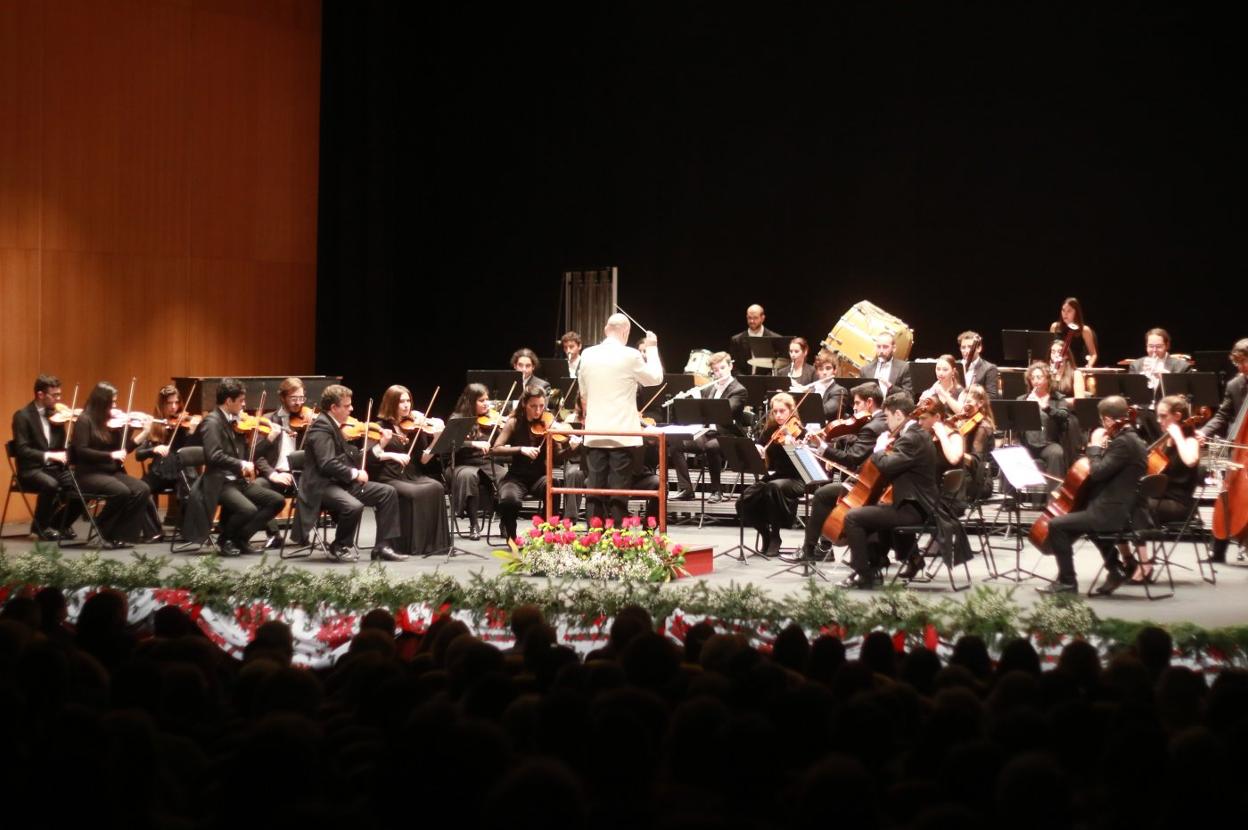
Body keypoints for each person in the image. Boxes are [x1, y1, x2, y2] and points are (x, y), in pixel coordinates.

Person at [1037, 395, 1147, 595]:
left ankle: (1067, 582)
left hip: (1111, 512)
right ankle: (1115, 569)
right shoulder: (1134, 440)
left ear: (1108, 420)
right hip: (1123, 509)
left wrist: (1094, 446)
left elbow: (1097, 472)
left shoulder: (1123, 443)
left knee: (1057, 526)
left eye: (1102, 420)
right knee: (1086, 525)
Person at [291, 384, 402, 562]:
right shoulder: (321, 428)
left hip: (339, 482)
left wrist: (379, 446)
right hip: (321, 485)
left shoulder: (335, 425)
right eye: (347, 405)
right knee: (353, 506)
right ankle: (339, 545)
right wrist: (354, 474)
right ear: (334, 408)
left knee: (387, 492)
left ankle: (383, 546)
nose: (351, 409)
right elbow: (327, 463)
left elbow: (352, 457)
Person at [839, 393, 940, 588]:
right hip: (917, 505)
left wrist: (878, 449)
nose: (886, 423)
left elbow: (887, 466)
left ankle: (863, 573)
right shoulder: (917, 434)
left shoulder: (911, 439)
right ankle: (875, 565)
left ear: (899, 415)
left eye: (887, 417)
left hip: (913, 509)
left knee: (853, 517)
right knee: (873, 510)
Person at [781, 382, 887, 562]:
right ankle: (824, 547)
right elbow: (858, 446)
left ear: (869, 403)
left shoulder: (872, 426)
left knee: (823, 495)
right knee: (830, 493)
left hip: (869, 487)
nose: (853, 408)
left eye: (857, 403)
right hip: (875, 482)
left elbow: (853, 459)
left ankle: (810, 550)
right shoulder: (880, 421)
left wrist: (823, 448)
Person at [180, 378, 286, 556]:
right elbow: (214, 455)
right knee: (248, 509)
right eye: (241, 401)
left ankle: (240, 539)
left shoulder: (235, 422)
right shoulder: (212, 422)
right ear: (228, 401)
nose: (244, 405)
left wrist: (269, 440)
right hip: (218, 482)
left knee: (276, 501)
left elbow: (248, 456)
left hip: (236, 480)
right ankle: (225, 539)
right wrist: (239, 463)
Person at [577, 312, 663, 525]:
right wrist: (651, 347)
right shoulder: (631, 355)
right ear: (625, 332)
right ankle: (617, 540)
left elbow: (584, 394)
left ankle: (593, 539)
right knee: (618, 493)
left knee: (594, 491)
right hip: (622, 435)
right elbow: (655, 378)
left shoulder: (587, 354)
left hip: (595, 433)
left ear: (606, 330)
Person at [1118, 395, 1200, 583]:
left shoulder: (1190, 441)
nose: (1158, 420)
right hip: (1158, 500)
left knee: (1134, 506)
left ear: (1177, 416)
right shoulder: (1164, 442)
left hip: (1179, 504)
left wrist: (1178, 436)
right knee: (1118, 504)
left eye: (1163, 416)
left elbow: (1190, 460)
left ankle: (1145, 565)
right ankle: (1128, 561)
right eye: (1158, 416)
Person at [69, 381, 162, 547]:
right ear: (101, 401)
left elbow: (123, 450)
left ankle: (120, 534)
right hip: (89, 474)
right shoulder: (85, 420)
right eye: (112, 402)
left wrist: (144, 433)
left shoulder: (111, 423)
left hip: (109, 472)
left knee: (142, 489)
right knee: (121, 491)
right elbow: (81, 451)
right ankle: (101, 526)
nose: (115, 406)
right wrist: (110, 454)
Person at [367, 384, 450, 557]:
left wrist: (436, 439)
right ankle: (410, 545)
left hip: (412, 474)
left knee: (436, 487)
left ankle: (433, 545)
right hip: (388, 477)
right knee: (416, 493)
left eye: (408, 401)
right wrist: (385, 446)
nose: (406, 405)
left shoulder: (414, 427)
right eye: (401, 402)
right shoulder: (379, 426)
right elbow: (369, 458)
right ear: (391, 404)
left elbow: (424, 459)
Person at [491, 386, 570, 542]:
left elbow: (558, 457)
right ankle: (512, 537)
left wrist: (573, 449)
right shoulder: (514, 422)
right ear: (524, 405)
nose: (538, 410)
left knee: (553, 484)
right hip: (516, 478)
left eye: (541, 406)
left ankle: (545, 533)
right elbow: (495, 449)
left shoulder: (548, 423)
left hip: (538, 478)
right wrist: (521, 449)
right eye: (533, 406)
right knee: (508, 500)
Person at [10, 374, 84, 540]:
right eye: (55, 395)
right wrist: (49, 455)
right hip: (31, 470)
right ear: (40, 394)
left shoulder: (57, 417)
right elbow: (22, 450)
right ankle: (39, 528)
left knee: (83, 487)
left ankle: (59, 524)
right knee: (51, 484)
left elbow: (64, 447)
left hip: (55, 468)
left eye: (59, 394)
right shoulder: (22, 416)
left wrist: (77, 427)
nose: (58, 399)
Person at [668, 351, 747, 501]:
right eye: (716, 370)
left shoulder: (739, 390)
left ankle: (717, 491)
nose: (719, 373)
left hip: (728, 437)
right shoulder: (710, 388)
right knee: (675, 443)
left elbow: (724, 412)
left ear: (731, 366)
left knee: (712, 446)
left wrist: (699, 400)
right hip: (707, 433)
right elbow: (697, 414)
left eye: (722, 368)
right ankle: (686, 489)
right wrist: (681, 401)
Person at [736, 393, 805, 556]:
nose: (779, 415)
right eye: (775, 412)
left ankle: (776, 535)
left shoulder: (800, 432)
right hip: (777, 476)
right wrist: (757, 450)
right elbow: (759, 447)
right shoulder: (770, 431)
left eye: (782, 411)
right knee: (743, 501)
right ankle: (765, 534)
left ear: (791, 411)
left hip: (797, 479)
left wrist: (792, 447)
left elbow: (804, 465)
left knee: (772, 488)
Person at [1198, 338, 1248, 563]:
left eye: (1244, 362)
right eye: (1238, 363)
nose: (1241, 368)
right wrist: (1204, 432)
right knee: (1227, 495)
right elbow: (1222, 415)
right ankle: (1218, 550)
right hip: (1238, 451)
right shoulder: (1235, 385)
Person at [446, 383, 507, 540]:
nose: (486, 403)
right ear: (470, 401)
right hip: (461, 464)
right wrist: (474, 443)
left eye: (487, 399)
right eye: (481, 400)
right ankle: (474, 524)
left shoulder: (491, 420)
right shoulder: (458, 419)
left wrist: (503, 431)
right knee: (469, 476)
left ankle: (505, 523)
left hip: (485, 463)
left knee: (507, 477)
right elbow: (450, 445)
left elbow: (499, 444)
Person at [136, 383, 201, 526]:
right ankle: (154, 531)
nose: (174, 407)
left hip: (180, 471)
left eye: (177, 402)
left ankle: (187, 527)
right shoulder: (154, 425)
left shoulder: (184, 425)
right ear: (161, 405)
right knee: (139, 490)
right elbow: (138, 454)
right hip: (160, 472)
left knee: (190, 487)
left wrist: (191, 432)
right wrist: (153, 449)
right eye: (169, 403)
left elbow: (191, 452)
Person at [1019, 362, 1069, 479]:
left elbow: (1064, 415)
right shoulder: (1022, 399)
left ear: (1048, 379)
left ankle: (1054, 495)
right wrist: (1025, 408)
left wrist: (1046, 407)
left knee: (1056, 453)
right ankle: (1014, 495)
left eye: (1039, 377)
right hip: (1027, 444)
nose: (1035, 381)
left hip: (1048, 444)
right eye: (1032, 378)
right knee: (1010, 452)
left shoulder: (1057, 398)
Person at [958, 384, 997, 503]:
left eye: (968, 401)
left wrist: (955, 453)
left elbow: (975, 461)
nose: (964, 405)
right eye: (962, 401)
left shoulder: (983, 427)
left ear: (980, 403)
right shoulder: (965, 421)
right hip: (966, 474)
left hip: (979, 481)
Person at [729, 303, 780, 374]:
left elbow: (778, 366)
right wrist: (743, 380)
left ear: (762, 318)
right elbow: (733, 365)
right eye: (749, 318)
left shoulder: (775, 339)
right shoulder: (737, 340)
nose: (752, 321)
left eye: (755, 318)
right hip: (742, 382)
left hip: (766, 382)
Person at [859, 332, 913, 397]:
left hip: (893, 406)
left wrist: (890, 387)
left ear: (894, 348)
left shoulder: (903, 368)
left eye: (885, 347)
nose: (881, 351)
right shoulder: (865, 370)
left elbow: (909, 396)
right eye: (878, 347)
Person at [1049, 296, 1098, 368]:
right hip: (1058, 367)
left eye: (1069, 311)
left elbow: (1093, 354)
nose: (1065, 314)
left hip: (1076, 367)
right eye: (1063, 310)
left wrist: (1089, 365)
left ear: (1076, 312)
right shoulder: (1055, 327)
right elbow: (1050, 350)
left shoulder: (1084, 330)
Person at [958, 331, 999, 399]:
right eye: (963, 347)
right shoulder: (956, 365)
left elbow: (992, 396)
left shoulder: (990, 368)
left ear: (979, 348)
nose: (966, 350)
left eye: (970, 347)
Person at [810, 349, 848, 419]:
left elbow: (825, 411)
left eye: (828, 368)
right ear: (817, 372)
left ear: (835, 370)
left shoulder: (840, 391)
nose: (824, 372)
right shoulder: (811, 390)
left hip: (826, 428)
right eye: (821, 369)